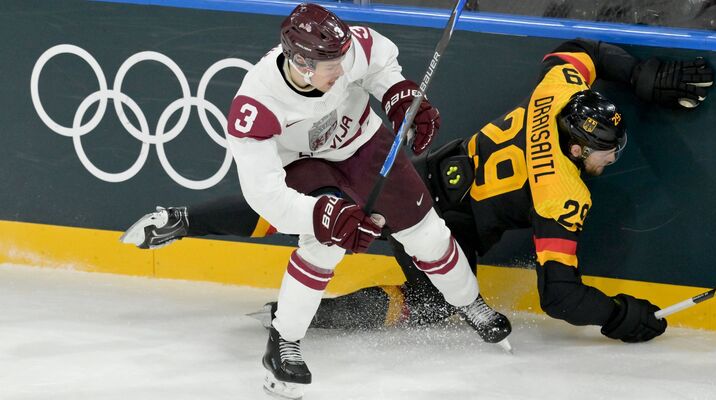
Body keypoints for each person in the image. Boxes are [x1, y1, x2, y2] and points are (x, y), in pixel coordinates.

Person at [124, 37, 713, 358]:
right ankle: (297, 320)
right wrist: (621, 317)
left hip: (428, 171)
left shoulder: (555, 96)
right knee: (432, 300)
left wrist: (635, 74)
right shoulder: (561, 191)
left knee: (306, 199)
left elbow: (577, 49)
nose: (615, 158)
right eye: (607, 152)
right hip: (444, 217)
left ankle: (184, 219)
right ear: (580, 151)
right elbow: (559, 296)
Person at [123, 3, 511, 399]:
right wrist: (323, 216)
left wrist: (397, 95)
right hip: (304, 165)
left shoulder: (345, 49)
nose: (343, 70)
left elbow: (380, 66)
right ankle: (284, 343)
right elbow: (266, 198)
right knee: (322, 245)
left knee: (427, 233)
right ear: (302, 63)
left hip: (361, 142)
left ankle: (469, 303)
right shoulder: (256, 106)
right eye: (331, 66)